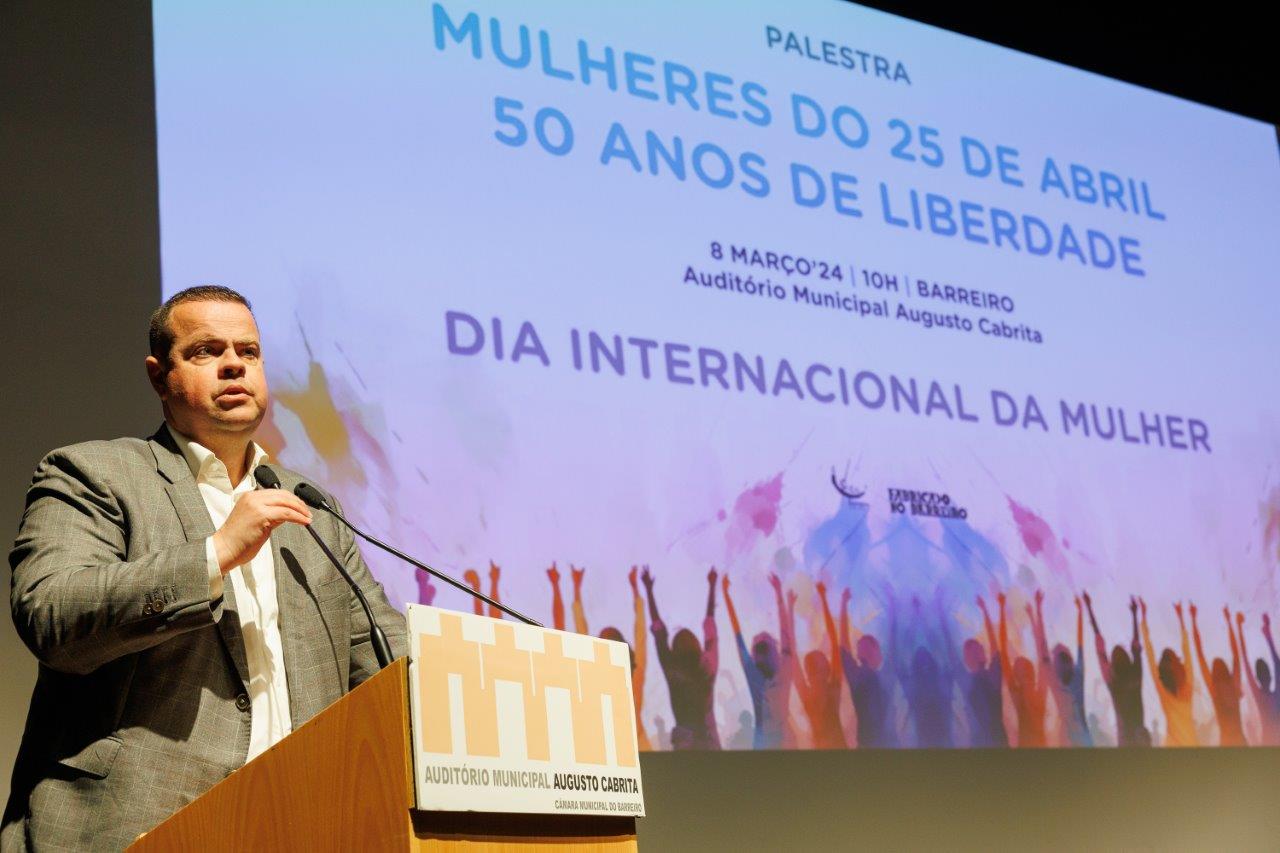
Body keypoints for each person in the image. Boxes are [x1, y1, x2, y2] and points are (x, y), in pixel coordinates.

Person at [3, 286, 408, 851]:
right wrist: (213, 554)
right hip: (137, 824)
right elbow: (51, 612)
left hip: (306, 822)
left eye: (249, 350)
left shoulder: (309, 505)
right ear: (157, 375)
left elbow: (388, 659)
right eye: (205, 352)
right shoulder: (93, 474)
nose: (234, 364)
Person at [642, 566, 720, 749]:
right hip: (705, 741)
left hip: (685, 742)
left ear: (675, 649)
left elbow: (659, 630)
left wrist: (649, 590)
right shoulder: (708, 667)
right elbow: (710, 625)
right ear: (697, 645)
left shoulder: (672, 668)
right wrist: (712, 585)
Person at [721, 572, 796, 750]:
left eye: (763, 643)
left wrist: (779, 594)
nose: (761, 646)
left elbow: (785, 632)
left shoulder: (782, 670)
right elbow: (737, 633)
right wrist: (725, 594)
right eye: (759, 644)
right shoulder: (756, 674)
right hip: (765, 743)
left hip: (779, 743)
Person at [1083, 592, 1150, 747]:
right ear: (1127, 658)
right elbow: (1135, 644)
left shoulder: (1113, 681)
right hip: (1141, 736)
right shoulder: (1136, 675)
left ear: (1112, 663)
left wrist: (1089, 607)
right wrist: (1134, 613)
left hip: (1125, 739)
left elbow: (1100, 644)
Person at [1139, 599, 1197, 747]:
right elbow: (1187, 651)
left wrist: (1144, 617)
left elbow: (1150, 656)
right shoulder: (1188, 685)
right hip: (1191, 745)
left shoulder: (1164, 690)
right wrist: (1181, 617)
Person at [1190, 603, 1246, 746]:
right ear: (1226, 669)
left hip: (1226, 743)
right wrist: (1229, 622)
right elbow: (1236, 655)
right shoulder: (1233, 686)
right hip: (1240, 742)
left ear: (1214, 672)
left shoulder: (1214, 690)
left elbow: (1200, 655)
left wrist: (1193, 619)